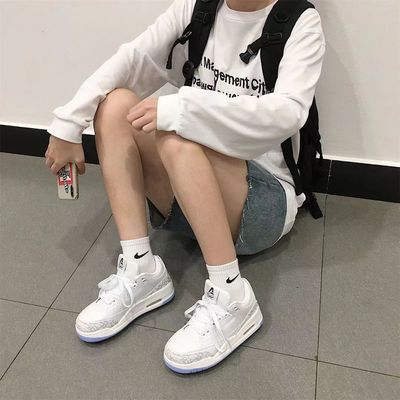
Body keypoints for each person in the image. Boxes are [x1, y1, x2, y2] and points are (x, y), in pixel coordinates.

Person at [45, 0, 325, 373]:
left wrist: (184, 109)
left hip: (262, 200)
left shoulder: (300, 20)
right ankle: (142, 269)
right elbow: (133, 59)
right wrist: (69, 122)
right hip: (191, 190)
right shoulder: (198, 7)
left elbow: (287, 113)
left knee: (177, 133)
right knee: (114, 106)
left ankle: (232, 296)